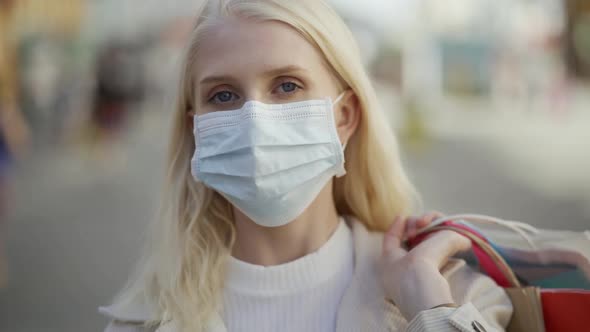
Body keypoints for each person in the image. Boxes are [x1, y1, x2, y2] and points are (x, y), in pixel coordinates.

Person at [99, 1, 513, 331]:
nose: (255, 121)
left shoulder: (455, 294)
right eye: (223, 96)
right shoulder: (143, 321)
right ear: (197, 128)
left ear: (345, 116)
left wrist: (429, 309)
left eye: (287, 86)